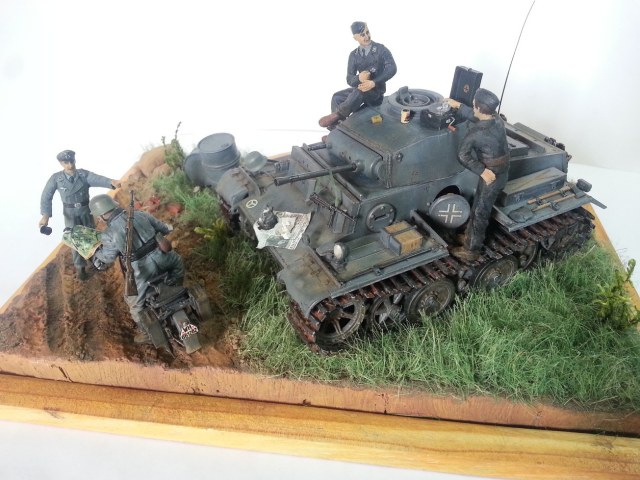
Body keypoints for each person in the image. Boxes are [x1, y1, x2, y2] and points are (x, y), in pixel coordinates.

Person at [89, 194, 184, 344]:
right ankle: (175, 287)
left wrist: (96, 257)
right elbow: (163, 228)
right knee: (178, 265)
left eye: (98, 217)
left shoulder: (109, 234)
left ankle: (147, 334)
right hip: (164, 259)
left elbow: (107, 257)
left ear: (101, 216)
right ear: (114, 205)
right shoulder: (141, 215)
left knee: (135, 304)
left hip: (142, 272)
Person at [446, 88, 510, 261]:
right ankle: (470, 236)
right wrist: (458, 105)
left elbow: (462, 156)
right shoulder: (496, 119)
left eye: (474, 105)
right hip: (502, 169)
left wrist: (482, 170)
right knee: (478, 209)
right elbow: (475, 116)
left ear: (480, 108)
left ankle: (471, 250)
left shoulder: (476, 133)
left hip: (491, 175)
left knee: (480, 211)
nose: (473, 107)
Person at [39, 150, 121, 280]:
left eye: (71, 161)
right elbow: (46, 196)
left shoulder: (83, 175)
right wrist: (46, 216)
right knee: (75, 241)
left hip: (85, 211)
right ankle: (80, 268)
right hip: (70, 214)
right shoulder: (56, 179)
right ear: (61, 163)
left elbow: (97, 179)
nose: (70, 165)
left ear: (75, 160)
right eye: (66, 162)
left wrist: (111, 182)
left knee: (92, 236)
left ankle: (98, 260)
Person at [318, 22, 397, 129]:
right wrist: (358, 78)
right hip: (358, 90)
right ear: (355, 38)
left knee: (360, 91)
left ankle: (339, 114)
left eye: (367, 32)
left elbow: (392, 68)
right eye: (362, 35)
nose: (367, 37)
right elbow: (349, 79)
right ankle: (335, 129)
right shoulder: (354, 55)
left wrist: (373, 82)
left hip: (376, 94)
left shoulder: (380, 50)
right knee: (337, 97)